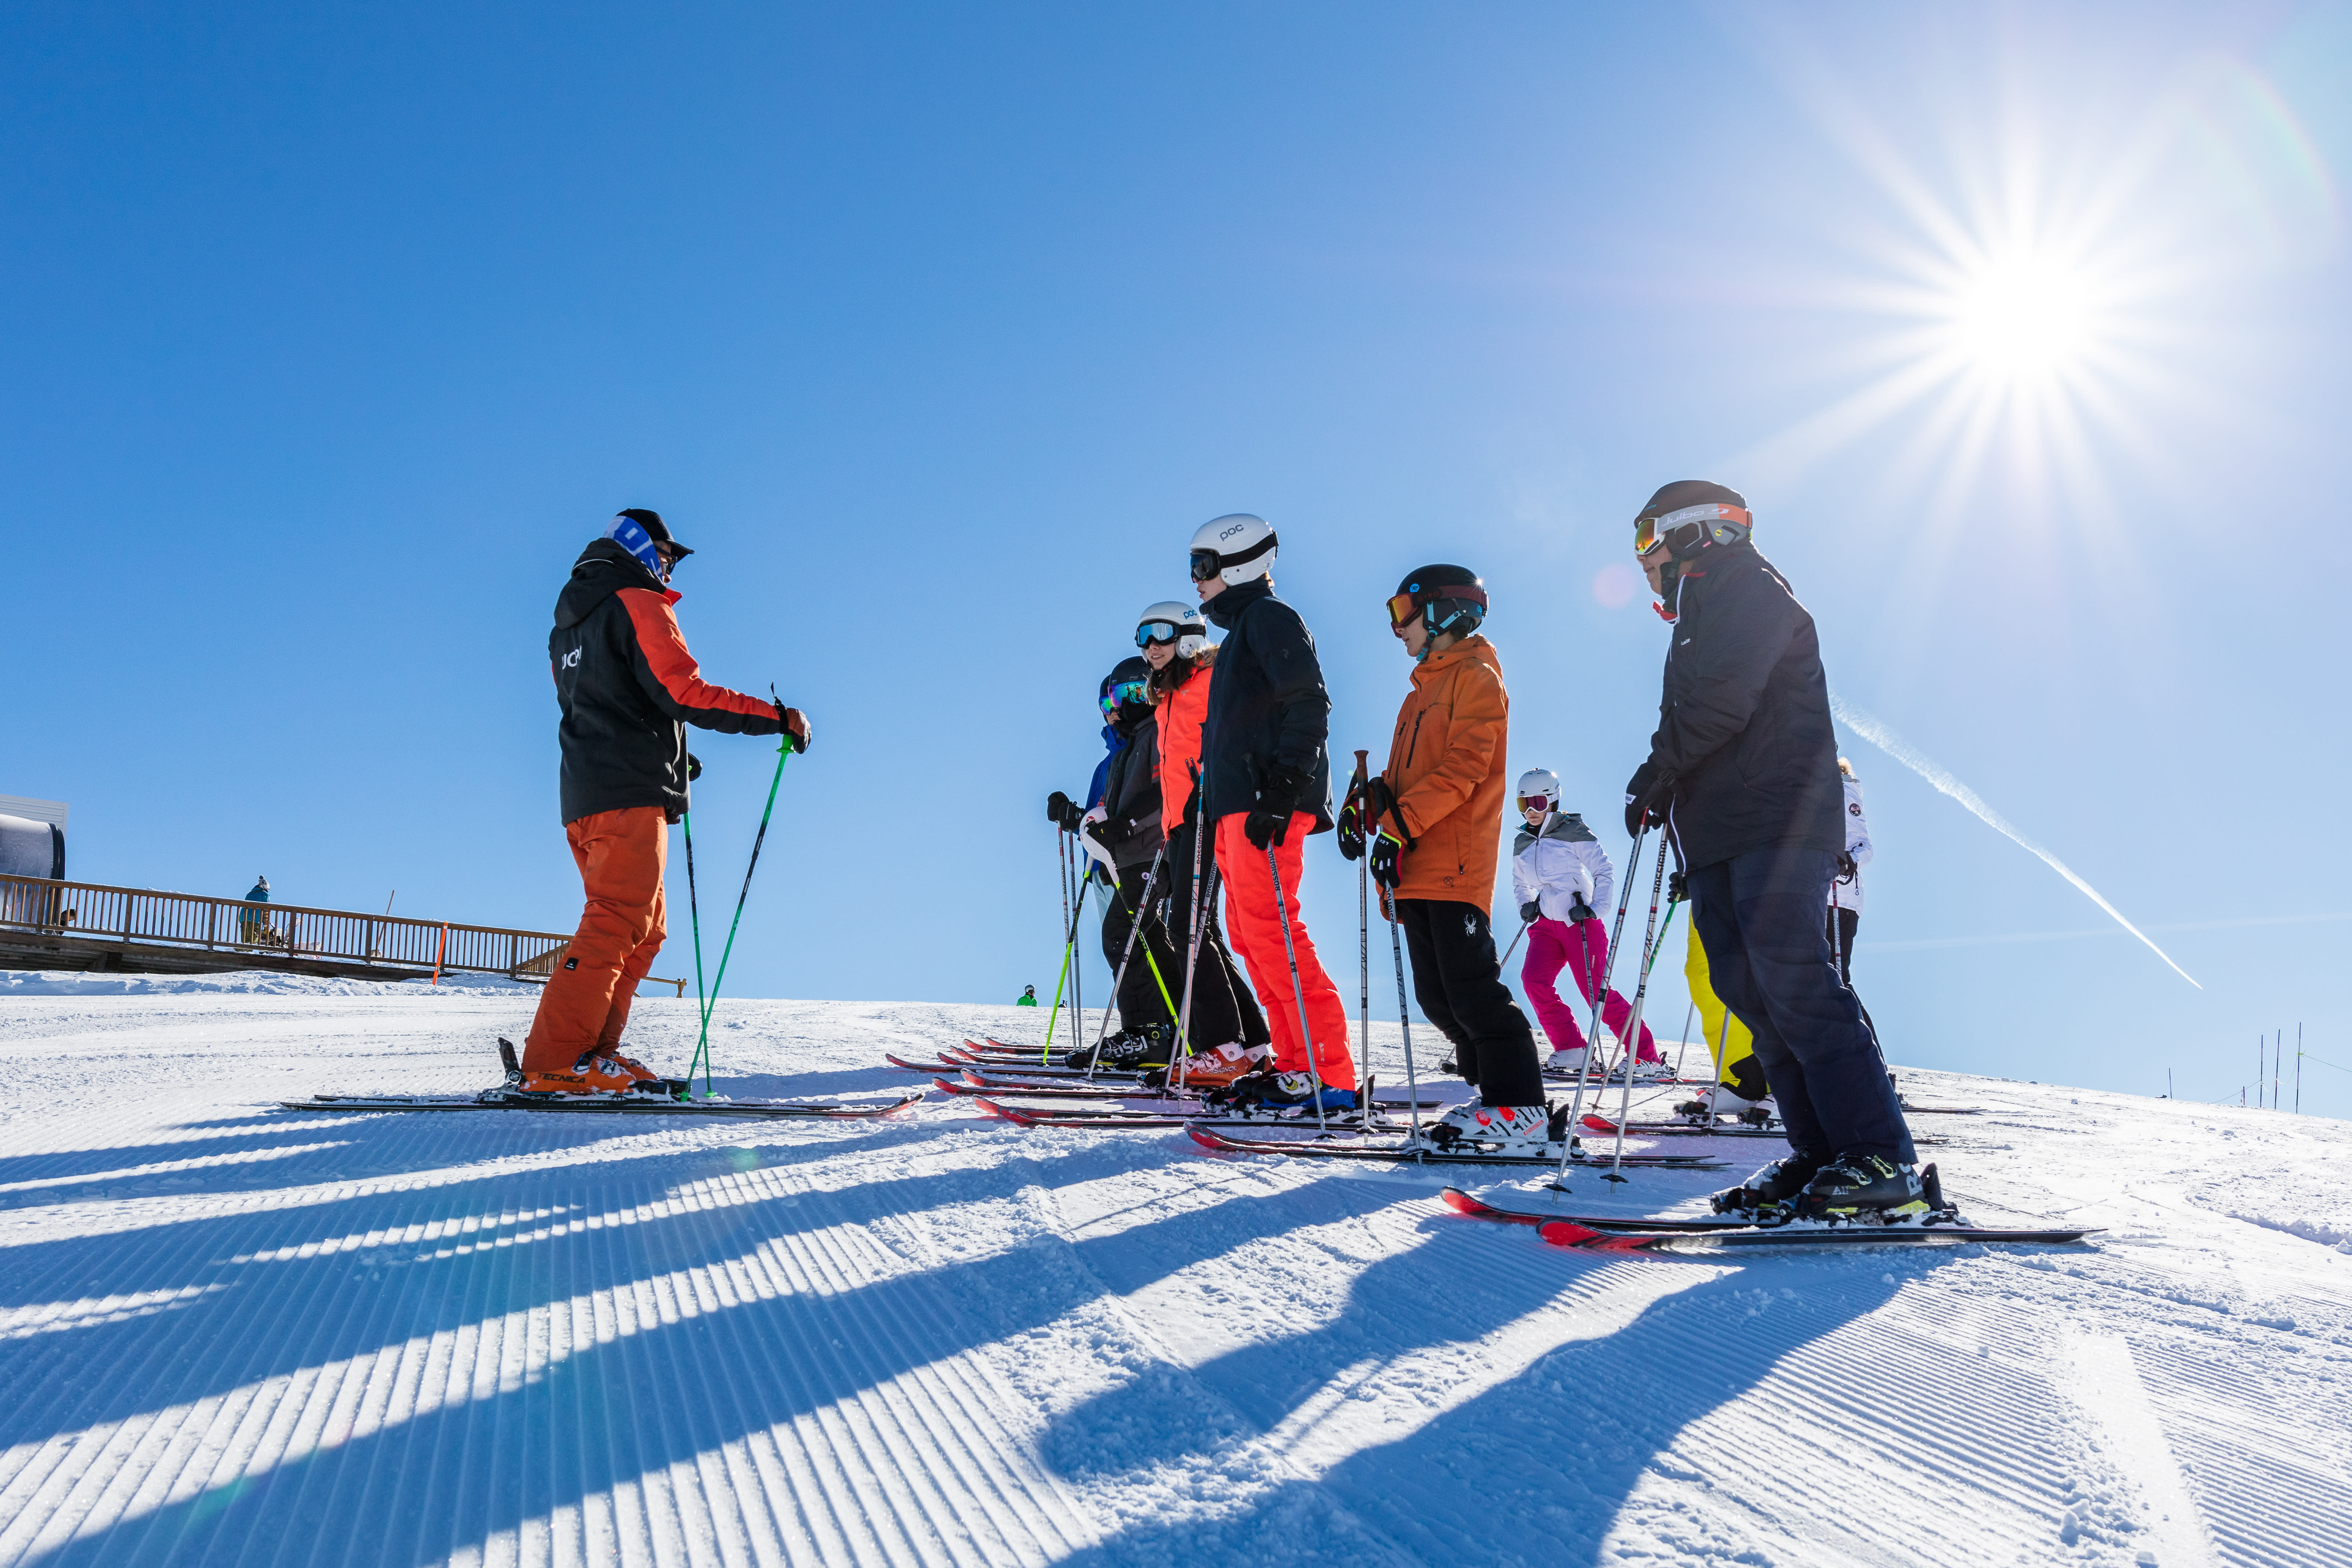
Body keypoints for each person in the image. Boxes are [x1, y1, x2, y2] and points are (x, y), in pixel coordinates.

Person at [1622, 481, 1919, 1218]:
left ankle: (1882, 1162)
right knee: (1747, 993)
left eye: (1647, 537)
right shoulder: (1698, 612)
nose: (1643, 558)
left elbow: (1727, 697)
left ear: (1693, 531)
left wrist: (1658, 768)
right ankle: (1820, 1154)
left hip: (1778, 820)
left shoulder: (1749, 587)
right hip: (1721, 826)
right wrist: (1670, 784)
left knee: (1795, 983)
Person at [522, 508, 807, 1096]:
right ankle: (553, 1060)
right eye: (667, 553)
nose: (671, 565)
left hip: (590, 792)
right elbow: (682, 690)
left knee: (645, 929)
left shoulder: (567, 626)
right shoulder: (636, 599)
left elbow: (608, 704)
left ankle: (594, 1055)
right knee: (616, 921)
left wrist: (673, 762)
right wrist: (775, 719)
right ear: (639, 546)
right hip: (624, 797)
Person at [1348, 565, 1549, 1150]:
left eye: (1401, 612)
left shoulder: (1477, 676)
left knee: (1472, 991)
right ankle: (1494, 1102)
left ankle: (1521, 1108)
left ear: (1439, 612)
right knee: (1437, 996)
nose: (1396, 628)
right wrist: (1370, 805)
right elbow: (1410, 776)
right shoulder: (1420, 692)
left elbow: (1465, 768)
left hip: (1455, 861)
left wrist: (1398, 826)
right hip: (1416, 863)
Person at [1189, 513, 1358, 1113]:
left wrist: (1285, 786)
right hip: (1237, 805)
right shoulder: (1238, 638)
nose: (1196, 581)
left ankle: (1329, 1072)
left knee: (1276, 932)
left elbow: (1308, 700)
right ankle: (1293, 1065)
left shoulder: (1268, 618)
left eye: (1202, 568)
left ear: (1236, 565)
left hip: (1266, 804)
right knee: (1248, 934)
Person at [1135, 600, 1273, 1086]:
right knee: (1200, 931)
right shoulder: (1167, 698)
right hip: (1181, 824)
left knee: (1188, 929)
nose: (1151, 646)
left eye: (1161, 634)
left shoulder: (1213, 680)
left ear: (1190, 636)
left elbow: (1250, 728)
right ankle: (1251, 1046)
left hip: (1212, 812)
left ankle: (1222, 1046)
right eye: (1144, 638)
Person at [1506, 769, 1666, 1079]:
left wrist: (1595, 909)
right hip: (1546, 926)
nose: (1530, 811)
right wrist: (1525, 905)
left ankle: (1645, 1058)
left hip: (1579, 923)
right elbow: (1518, 883)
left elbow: (1603, 870)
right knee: (1533, 982)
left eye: (1537, 803)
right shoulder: (1522, 841)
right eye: (1523, 804)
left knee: (1596, 992)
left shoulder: (1572, 830)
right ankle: (1572, 1050)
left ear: (1552, 801)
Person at [1073, 656, 1184, 1067]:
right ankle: (1173, 1027)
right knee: (1149, 938)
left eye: (1125, 695)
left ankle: (1148, 1032)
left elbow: (1164, 790)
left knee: (1122, 931)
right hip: (1131, 855)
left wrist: (1125, 825)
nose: (1116, 708)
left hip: (1149, 852)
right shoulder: (1134, 739)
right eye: (1110, 701)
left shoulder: (1156, 732)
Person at [1827, 757, 1871, 986]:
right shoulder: (1819, 795)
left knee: (1836, 974)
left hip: (1841, 899)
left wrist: (1848, 862)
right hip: (1815, 894)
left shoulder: (1846, 794)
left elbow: (1864, 846)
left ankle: (1853, 1021)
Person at [238, 875, 272, 945]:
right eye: (268, 889)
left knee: (245, 941)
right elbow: (266, 910)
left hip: (243, 918)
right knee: (253, 941)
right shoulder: (265, 895)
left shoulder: (250, 894)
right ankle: (235, 950)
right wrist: (266, 926)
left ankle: (244, 954)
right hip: (253, 919)